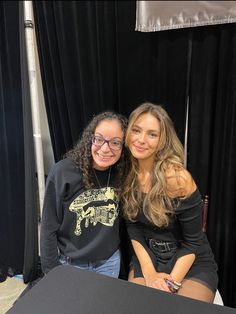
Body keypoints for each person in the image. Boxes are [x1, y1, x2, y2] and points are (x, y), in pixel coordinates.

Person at [122, 102, 218, 302]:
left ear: (163, 140)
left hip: (189, 262)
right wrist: (149, 274)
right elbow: (133, 229)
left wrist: (171, 282)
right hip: (148, 258)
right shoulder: (127, 173)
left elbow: (193, 242)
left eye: (152, 134)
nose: (141, 140)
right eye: (136, 130)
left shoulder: (177, 178)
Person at [40, 111, 128, 278]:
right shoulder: (63, 171)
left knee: (103, 305)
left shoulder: (123, 173)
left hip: (109, 263)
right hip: (71, 264)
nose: (105, 149)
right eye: (99, 139)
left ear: (123, 146)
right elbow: (48, 227)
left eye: (115, 142)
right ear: (90, 138)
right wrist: (51, 271)